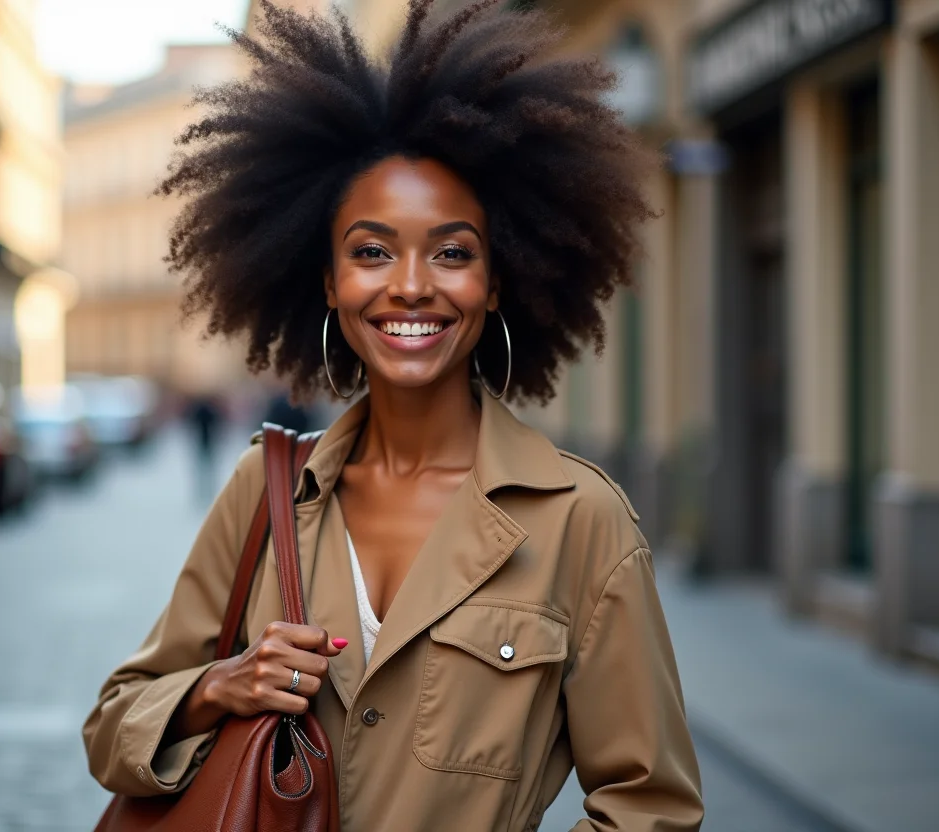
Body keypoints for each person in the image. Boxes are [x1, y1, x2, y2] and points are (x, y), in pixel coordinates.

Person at [83, 2, 704, 829]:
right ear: (329, 282)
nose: (410, 285)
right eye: (371, 251)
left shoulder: (582, 524)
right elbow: (114, 726)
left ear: (499, 280)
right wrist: (216, 687)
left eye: (452, 252)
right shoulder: (266, 489)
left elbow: (649, 807)